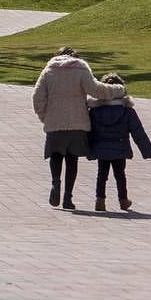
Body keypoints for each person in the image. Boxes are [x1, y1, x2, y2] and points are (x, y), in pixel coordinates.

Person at [30, 46, 126, 209]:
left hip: (55, 122)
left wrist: (44, 117)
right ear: (75, 56)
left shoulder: (48, 71)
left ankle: (55, 182)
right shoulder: (81, 68)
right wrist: (118, 90)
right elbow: (96, 90)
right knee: (71, 160)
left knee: (56, 156)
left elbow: (37, 97)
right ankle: (68, 198)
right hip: (77, 122)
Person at [88, 74, 151, 212]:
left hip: (101, 148)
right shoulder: (127, 111)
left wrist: (87, 149)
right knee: (120, 175)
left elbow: (89, 131)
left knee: (102, 175)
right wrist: (147, 151)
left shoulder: (95, 111)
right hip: (120, 148)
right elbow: (138, 132)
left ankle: (100, 201)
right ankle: (123, 201)